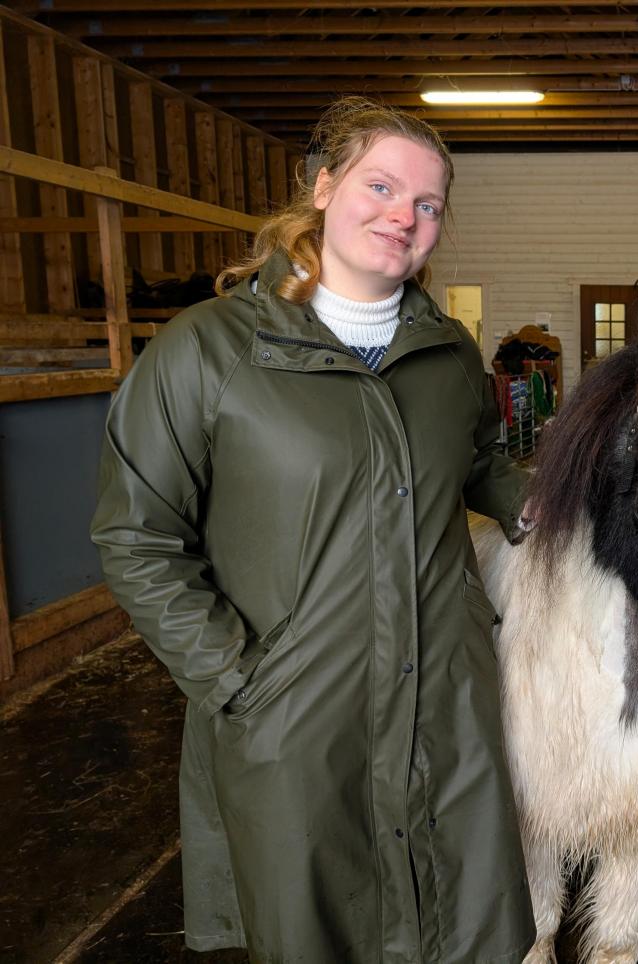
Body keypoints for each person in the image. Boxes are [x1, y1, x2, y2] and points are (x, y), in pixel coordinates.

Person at [91, 97, 535, 963]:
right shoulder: (208, 351)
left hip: (444, 700)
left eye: (428, 203)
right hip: (294, 714)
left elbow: (478, 456)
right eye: (381, 186)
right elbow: (137, 536)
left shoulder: (449, 351)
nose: (403, 216)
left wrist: (538, 506)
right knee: (316, 927)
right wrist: (235, 677)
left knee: (456, 924)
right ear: (324, 187)